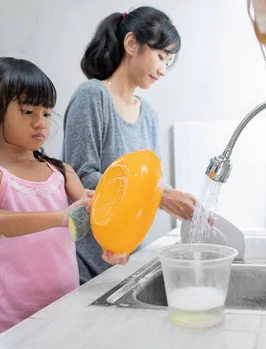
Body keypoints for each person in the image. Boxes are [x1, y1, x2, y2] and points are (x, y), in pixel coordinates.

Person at [0, 57, 127, 338]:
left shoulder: (61, 172)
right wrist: (59, 218)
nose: (40, 123)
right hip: (15, 322)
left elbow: (95, 213)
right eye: (27, 111)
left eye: (47, 113)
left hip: (68, 308)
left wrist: (114, 245)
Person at [63, 6, 197, 284]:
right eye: (160, 56)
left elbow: (153, 180)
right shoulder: (92, 96)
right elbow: (82, 177)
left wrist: (181, 202)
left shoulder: (148, 113)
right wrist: (159, 196)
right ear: (132, 43)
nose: (163, 70)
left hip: (127, 258)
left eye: (168, 61)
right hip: (87, 264)